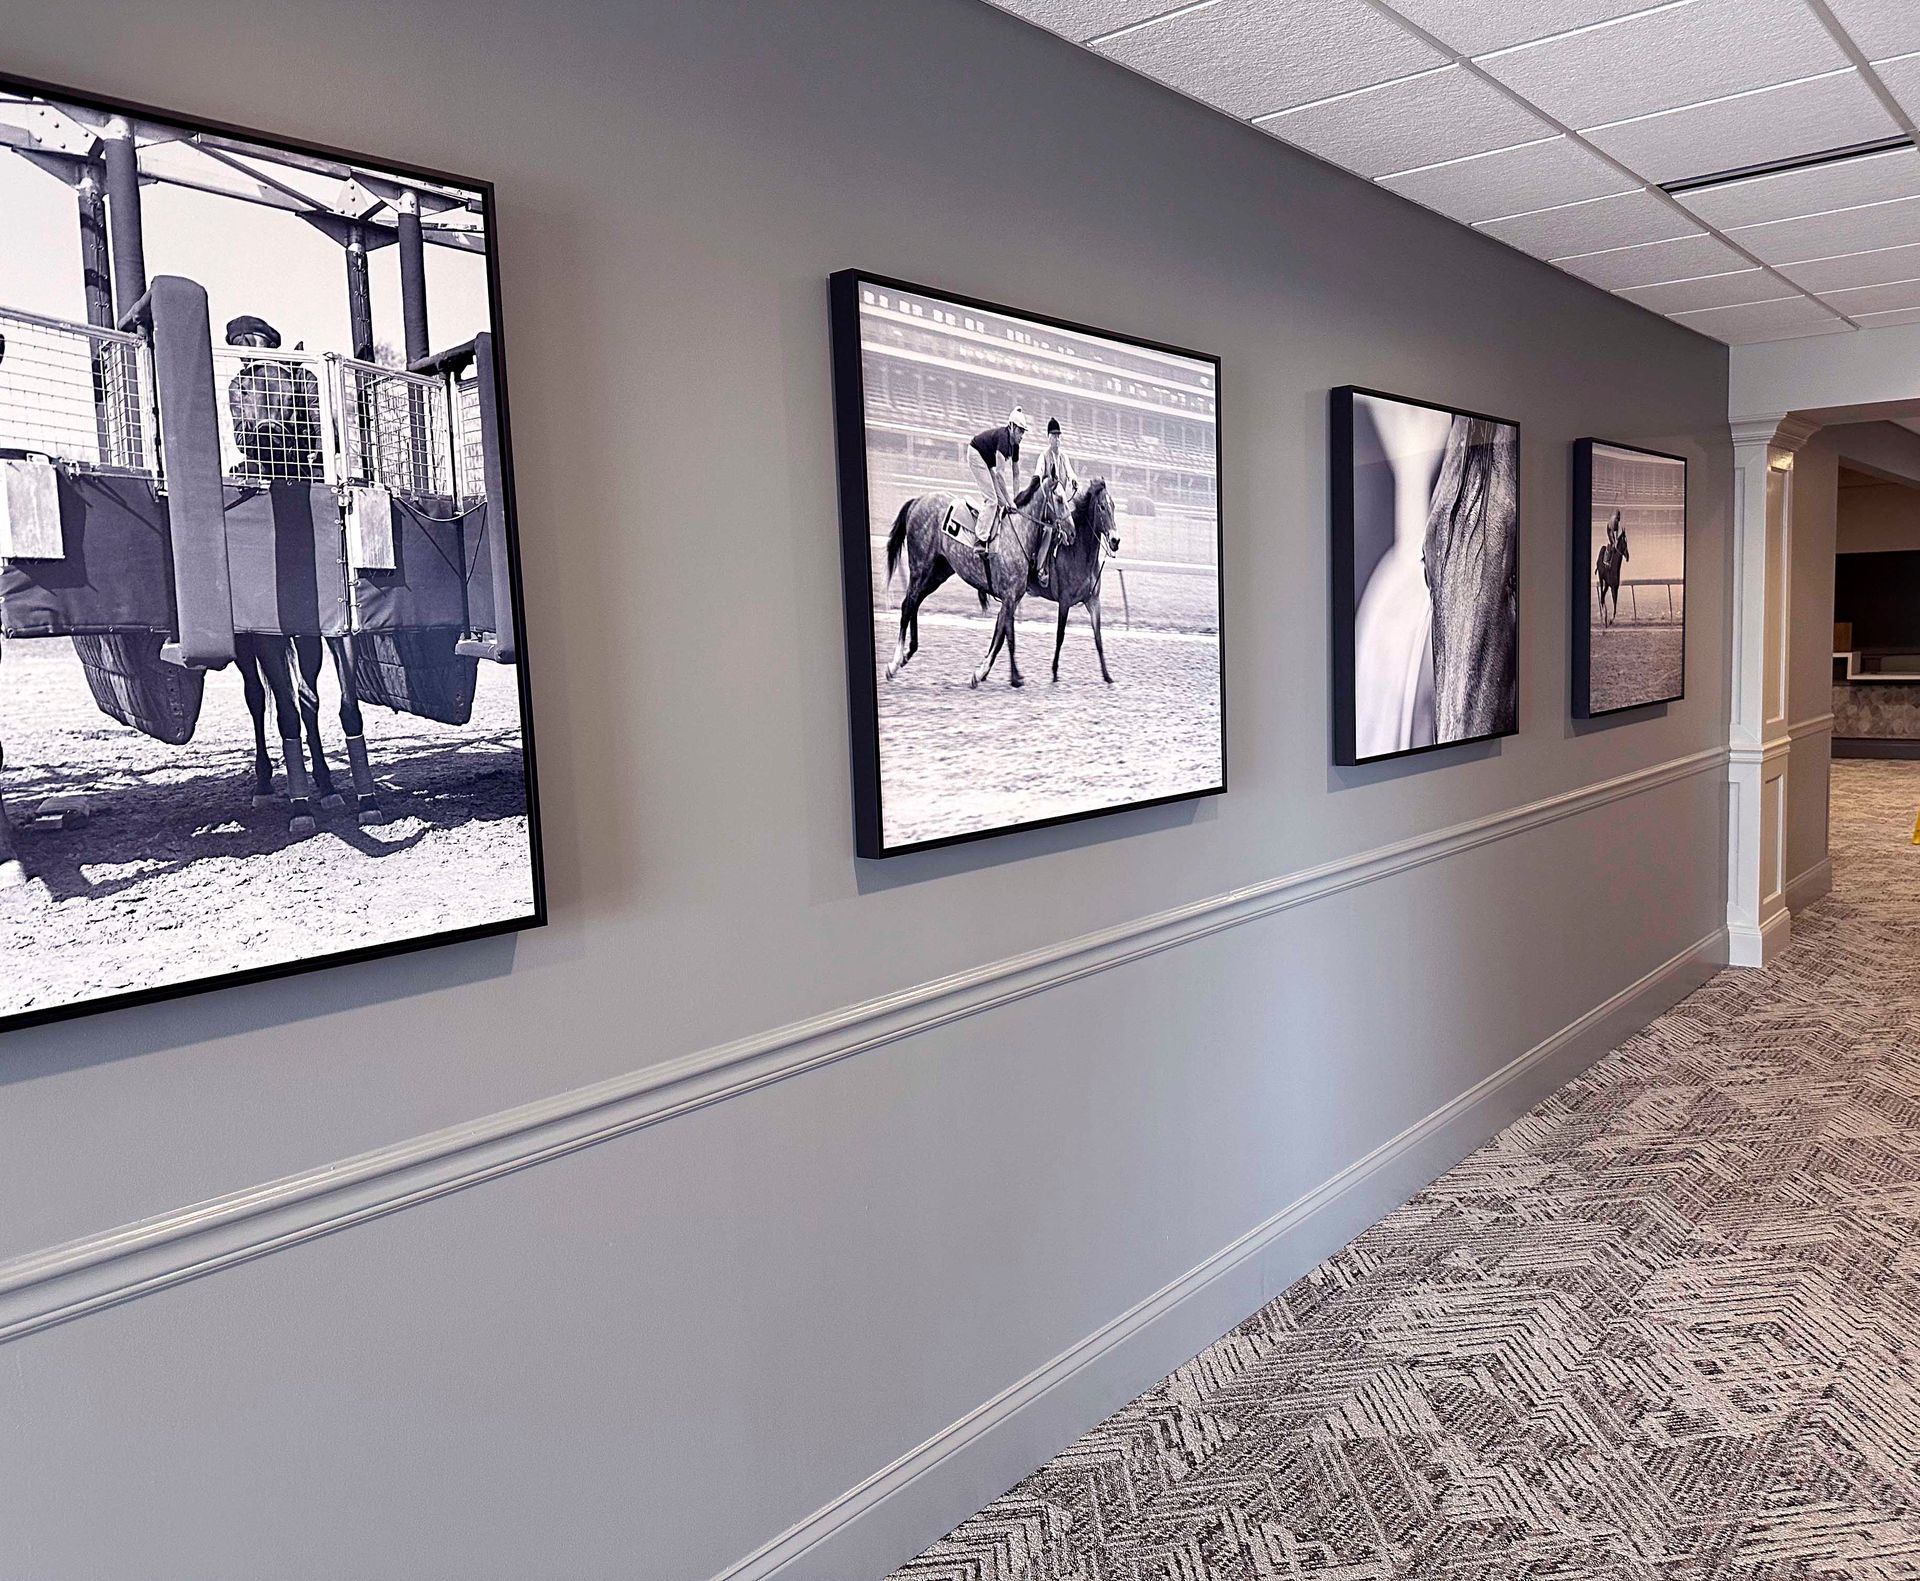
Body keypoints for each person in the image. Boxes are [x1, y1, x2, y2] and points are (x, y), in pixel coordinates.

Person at [224, 315, 322, 481]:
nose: (245, 352)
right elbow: (241, 436)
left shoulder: (301, 377)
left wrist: (320, 462)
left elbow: (321, 424)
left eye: (251, 342)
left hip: (300, 461)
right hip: (261, 461)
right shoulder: (238, 384)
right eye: (239, 345)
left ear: (269, 344)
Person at [965, 405, 1028, 547]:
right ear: (1011, 426)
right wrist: (1010, 501)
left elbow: (1016, 474)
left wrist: (1015, 500)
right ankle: (980, 539)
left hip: (986, 461)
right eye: (1020, 431)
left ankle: (995, 538)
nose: (1022, 436)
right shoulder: (1004, 439)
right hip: (976, 454)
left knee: (1003, 503)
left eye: (1023, 432)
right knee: (992, 500)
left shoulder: (1016, 445)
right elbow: (1000, 475)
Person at [1031, 416, 1080, 587]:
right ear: (1048, 438)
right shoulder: (1043, 456)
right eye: (1053, 436)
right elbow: (1038, 474)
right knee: (1048, 532)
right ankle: (1040, 569)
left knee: (1071, 527)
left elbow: (1071, 472)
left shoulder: (1064, 457)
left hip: (1060, 502)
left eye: (1059, 436)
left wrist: (1074, 479)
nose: (1057, 439)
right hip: (1046, 506)